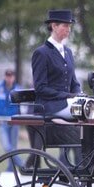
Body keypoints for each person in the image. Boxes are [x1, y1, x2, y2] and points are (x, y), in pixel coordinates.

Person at [30, 9, 82, 166]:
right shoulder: (41, 53)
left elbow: (74, 82)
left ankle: (82, 161)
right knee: (81, 114)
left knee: (89, 111)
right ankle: (74, 163)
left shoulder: (68, 52)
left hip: (67, 103)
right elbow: (40, 88)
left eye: (69, 26)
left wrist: (79, 94)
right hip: (49, 105)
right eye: (65, 26)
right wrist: (67, 97)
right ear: (54, 26)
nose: (68, 29)